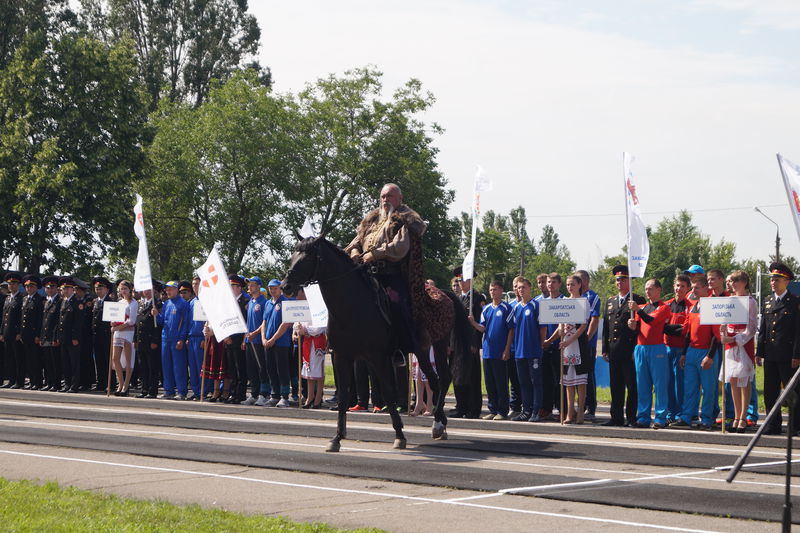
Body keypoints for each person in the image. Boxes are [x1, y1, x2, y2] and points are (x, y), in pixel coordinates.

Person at [345, 183, 427, 371]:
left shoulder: (404, 219)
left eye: (389, 196)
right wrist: (355, 252)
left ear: (400, 198)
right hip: (367, 275)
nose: (385, 200)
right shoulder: (371, 221)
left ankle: (400, 347)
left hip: (391, 274)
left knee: (397, 304)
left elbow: (400, 247)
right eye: (383, 196)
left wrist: (376, 253)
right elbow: (355, 242)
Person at [757, 262, 800, 435]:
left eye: (777, 279)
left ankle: (795, 426)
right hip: (771, 354)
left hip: (788, 355)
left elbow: (798, 331)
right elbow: (764, 329)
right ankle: (772, 425)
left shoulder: (794, 303)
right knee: (770, 391)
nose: (773, 282)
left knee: (793, 392)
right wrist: (759, 352)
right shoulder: (768, 301)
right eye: (772, 279)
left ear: (787, 281)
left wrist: (797, 354)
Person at [671, 277, 717, 429]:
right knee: (690, 387)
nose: (693, 291)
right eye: (693, 288)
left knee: (708, 389)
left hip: (705, 352)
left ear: (706, 289)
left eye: (696, 288)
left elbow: (716, 336)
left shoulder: (712, 307)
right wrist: (684, 353)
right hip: (691, 351)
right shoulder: (693, 307)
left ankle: (706, 419)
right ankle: (686, 416)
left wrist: (710, 356)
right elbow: (688, 333)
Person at [602, 265, 645, 427]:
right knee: (616, 385)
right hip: (614, 350)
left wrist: (635, 337)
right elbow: (607, 327)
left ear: (630, 281)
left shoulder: (637, 300)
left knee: (631, 386)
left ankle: (631, 417)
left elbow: (643, 326)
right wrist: (605, 348)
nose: (619, 282)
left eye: (623, 279)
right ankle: (616, 417)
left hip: (630, 350)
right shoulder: (611, 301)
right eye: (617, 279)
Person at [546, 275, 591, 424]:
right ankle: (569, 413)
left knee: (581, 381)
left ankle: (580, 413)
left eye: (572, 284)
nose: (570, 287)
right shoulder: (563, 302)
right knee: (567, 381)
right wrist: (558, 336)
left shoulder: (583, 302)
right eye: (568, 284)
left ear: (579, 285)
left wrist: (570, 339)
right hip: (566, 344)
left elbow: (583, 326)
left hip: (579, 344)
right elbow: (560, 323)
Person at [628, 278, 672, 429]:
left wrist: (638, 310)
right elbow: (638, 327)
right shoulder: (642, 307)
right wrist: (632, 325)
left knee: (660, 384)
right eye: (646, 288)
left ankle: (661, 417)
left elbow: (652, 321)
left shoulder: (663, 307)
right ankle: (643, 416)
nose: (647, 291)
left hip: (657, 348)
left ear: (659, 290)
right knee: (643, 385)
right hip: (641, 348)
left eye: (651, 288)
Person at [469, 280, 514, 420]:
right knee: (490, 383)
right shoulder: (486, 309)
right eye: (490, 290)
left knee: (501, 382)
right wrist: (473, 323)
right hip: (488, 351)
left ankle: (502, 410)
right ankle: (493, 409)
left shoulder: (507, 308)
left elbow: (511, 330)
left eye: (495, 289)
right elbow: (483, 328)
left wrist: (507, 349)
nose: (492, 292)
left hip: (500, 352)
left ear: (501, 290)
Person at [719, 270, 757, 433]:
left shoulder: (750, 302)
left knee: (744, 380)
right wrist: (723, 332)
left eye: (738, 281)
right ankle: (736, 415)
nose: (734, 284)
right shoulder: (729, 300)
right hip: (730, 344)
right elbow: (725, 321)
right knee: (733, 379)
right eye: (733, 281)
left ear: (745, 283)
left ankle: (743, 417)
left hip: (743, 343)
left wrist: (735, 339)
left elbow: (752, 327)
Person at [510, 277, 544, 422]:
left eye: (523, 287)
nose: (521, 290)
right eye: (518, 288)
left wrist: (540, 345)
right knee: (523, 382)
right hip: (519, 352)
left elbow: (542, 328)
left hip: (533, 351)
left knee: (536, 381)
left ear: (530, 288)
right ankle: (526, 410)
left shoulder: (536, 306)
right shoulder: (516, 308)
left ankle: (536, 411)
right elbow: (512, 329)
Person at [154, 280, 190, 400]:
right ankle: (168, 390)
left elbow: (185, 323)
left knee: (179, 366)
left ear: (176, 290)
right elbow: (162, 321)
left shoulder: (184, 304)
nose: (167, 291)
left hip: (176, 339)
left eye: (170, 289)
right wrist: (156, 315)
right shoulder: (167, 304)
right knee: (166, 365)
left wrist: (181, 338)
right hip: (165, 338)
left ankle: (182, 391)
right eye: (166, 289)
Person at [663, 275, 692, 423]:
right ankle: (669, 414)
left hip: (681, 349)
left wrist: (669, 328)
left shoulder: (690, 306)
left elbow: (686, 330)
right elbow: (662, 327)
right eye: (677, 285)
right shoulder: (666, 305)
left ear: (688, 289)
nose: (679, 289)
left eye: (682, 286)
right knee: (667, 382)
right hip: (666, 348)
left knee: (680, 384)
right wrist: (671, 329)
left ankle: (681, 414)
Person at [262, 279, 293, 407]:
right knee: (271, 369)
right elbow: (264, 322)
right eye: (270, 288)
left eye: (275, 288)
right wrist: (264, 338)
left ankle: (284, 396)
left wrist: (273, 339)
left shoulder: (285, 302)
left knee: (282, 370)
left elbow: (285, 324)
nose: (272, 290)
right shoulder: (268, 303)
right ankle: (274, 395)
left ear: (280, 289)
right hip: (268, 341)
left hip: (281, 342)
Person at [575, 270, 600, 420]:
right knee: (575, 377)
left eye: (579, 279)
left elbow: (594, 320)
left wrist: (586, 339)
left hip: (587, 345)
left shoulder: (592, 297)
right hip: (573, 344)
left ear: (586, 280)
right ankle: (580, 406)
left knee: (588, 376)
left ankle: (591, 407)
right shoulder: (573, 298)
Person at [57, 276, 86, 393]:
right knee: (65, 362)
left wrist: (75, 337)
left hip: (72, 338)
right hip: (63, 337)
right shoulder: (63, 302)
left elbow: (78, 322)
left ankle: (74, 385)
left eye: (68, 288)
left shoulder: (77, 302)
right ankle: (67, 384)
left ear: (73, 289)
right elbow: (60, 321)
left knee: (74, 363)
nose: (65, 291)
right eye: (64, 289)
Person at [541, 273, 563, 419]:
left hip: (558, 346)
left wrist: (549, 340)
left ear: (559, 284)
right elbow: (540, 325)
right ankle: (547, 408)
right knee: (545, 379)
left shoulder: (564, 301)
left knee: (559, 380)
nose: (550, 284)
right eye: (549, 282)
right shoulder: (543, 301)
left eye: (554, 282)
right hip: (544, 347)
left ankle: (561, 408)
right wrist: (543, 342)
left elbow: (562, 325)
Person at [111, 280, 139, 396]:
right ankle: (120, 383)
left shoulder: (134, 303)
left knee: (128, 360)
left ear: (130, 289)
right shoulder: (119, 302)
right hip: (118, 333)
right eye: (121, 289)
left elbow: (131, 321)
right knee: (115, 358)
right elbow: (114, 318)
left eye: (125, 289)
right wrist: (113, 323)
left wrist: (118, 328)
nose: (123, 291)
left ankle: (126, 386)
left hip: (127, 333)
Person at [244, 276, 269, 406]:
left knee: (261, 368)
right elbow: (248, 323)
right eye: (249, 285)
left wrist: (255, 333)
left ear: (259, 286)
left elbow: (264, 323)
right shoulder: (251, 302)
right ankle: (254, 394)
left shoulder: (264, 302)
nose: (250, 287)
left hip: (259, 340)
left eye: (252, 285)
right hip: (249, 341)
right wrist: (245, 338)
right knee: (251, 369)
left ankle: (263, 394)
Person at [135, 281, 162, 398]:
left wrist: (155, 340)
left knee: (152, 367)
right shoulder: (141, 303)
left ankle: (152, 390)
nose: (145, 291)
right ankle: (144, 389)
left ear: (153, 290)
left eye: (148, 289)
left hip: (151, 340)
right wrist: (135, 339)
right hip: (141, 340)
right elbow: (138, 324)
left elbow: (158, 325)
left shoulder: (157, 304)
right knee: (143, 366)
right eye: (144, 289)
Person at [91, 276, 116, 392]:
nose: (98, 290)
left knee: (108, 360)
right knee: (99, 361)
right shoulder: (95, 302)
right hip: (96, 335)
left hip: (107, 335)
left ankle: (110, 383)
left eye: (100, 288)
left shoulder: (111, 302)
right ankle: (100, 382)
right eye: (96, 288)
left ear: (106, 289)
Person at [20, 275, 44, 390]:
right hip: (25, 334)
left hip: (34, 335)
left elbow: (40, 319)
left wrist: (38, 335)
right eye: (27, 286)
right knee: (28, 359)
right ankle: (31, 381)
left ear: (36, 287)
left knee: (35, 360)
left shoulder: (39, 299)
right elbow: (22, 318)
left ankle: (37, 382)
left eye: (31, 286)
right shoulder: (25, 299)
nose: (29, 288)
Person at [0, 272, 24, 388]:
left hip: (15, 333)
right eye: (9, 284)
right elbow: (4, 317)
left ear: (18, 285)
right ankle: (11, 380)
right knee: (9, 358)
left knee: (18, 358)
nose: (11, 286)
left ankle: (19, 381)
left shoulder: (21, 298)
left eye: (14, 284)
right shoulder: (7, 298)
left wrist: (20, 332)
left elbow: (21, 318)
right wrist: (1, 332)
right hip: (7, 332)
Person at [39, 276, 62, 391]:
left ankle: (56, 384)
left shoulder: (59, 301)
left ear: (57, 289)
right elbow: (44, 321)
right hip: (45, 336)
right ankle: (49, 382)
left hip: (53, 337)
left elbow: (58, 322)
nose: (50, 289)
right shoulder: (47, 301)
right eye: (48, 288)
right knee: (47, 362)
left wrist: (55, 337)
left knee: (55, 362)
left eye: (53, 287)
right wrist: (42, 336)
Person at [184, 278, 205, 401]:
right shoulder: (191, 302)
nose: (195, 286)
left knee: (201, 366)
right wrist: (187, 336)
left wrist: (204, 337)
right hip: (191, 338)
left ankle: (204, 390)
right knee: (192, 367)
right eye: (193, 284)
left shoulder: (207, 301)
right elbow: (188, 321)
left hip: (201, 338)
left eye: (197, 284)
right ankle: (196, 390)